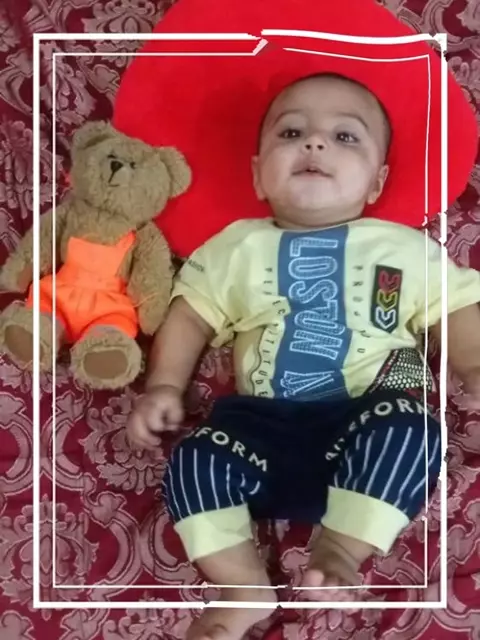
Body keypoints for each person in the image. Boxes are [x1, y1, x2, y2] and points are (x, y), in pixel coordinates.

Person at [126, 73, 480, 640]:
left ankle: (339, 549)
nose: (315, 142)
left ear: (377, 180)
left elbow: (455, 303)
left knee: (415, 433)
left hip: (362, 420)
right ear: (257, 174)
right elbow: (190, 315)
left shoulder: (403, 250)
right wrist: (164, 386)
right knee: (194, 461)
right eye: (291, 132)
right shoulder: (236, 247)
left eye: (345, 137)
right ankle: (242, 585)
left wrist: (472, 364)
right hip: (259, 430)